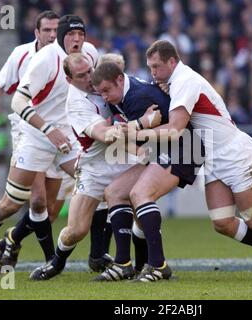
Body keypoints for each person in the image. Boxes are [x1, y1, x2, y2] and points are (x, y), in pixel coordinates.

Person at [140, 40, 252, 279]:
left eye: (156, 66)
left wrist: (136, 133)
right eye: (150, 67)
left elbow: (175, 128)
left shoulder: (185, 81)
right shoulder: (175, 82)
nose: (153, 72)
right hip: (213, 159)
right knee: (222, 222)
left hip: (236, 154)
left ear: (172, 61)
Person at [0, 15, 98, 278]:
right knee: (16, 203)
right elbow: (18, 101)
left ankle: (102, 256)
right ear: (39, 32)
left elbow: (92, 89)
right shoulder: (39, 58)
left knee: (93, 186)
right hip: (35, 133)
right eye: (68, 34)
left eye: (81, 34)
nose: (76, 39)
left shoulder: (90, 55)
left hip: (67, 136)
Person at [29, 53, 157, 280]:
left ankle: (143, 266)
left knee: (143, 212)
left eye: (90, 70)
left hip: (125, 160)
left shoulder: (101, 82)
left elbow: (118, 73)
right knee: (76, 230)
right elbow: (105, 134)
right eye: (82, 75)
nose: (90, 78)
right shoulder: (76, 104)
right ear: (69, 80)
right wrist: (143, 123)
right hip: (95, 167)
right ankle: (56, 262)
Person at [91, 62, 205, 282]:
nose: (104, 97)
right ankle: (122, 263)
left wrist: (135, 127)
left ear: (120, 80)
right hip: (161, 149)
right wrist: (139, 125)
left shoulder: (137, 98)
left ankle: (158, 265)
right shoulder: (122, 97)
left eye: (107, 90)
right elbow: (135, 135)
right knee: (114, 191)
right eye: (100, 92)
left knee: (140, 193)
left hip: (184, 149)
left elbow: (143, 136)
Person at [0, 10, 67, 275]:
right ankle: (53, 262)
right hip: (28, 129)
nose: (52, 35)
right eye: (47, 30)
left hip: (60, 133)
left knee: (50, 211)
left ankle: (8, 241)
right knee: (35, 201)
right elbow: (0, 83)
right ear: (36, 33)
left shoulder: (67, 56)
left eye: (55, 30)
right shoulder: (22, 54)